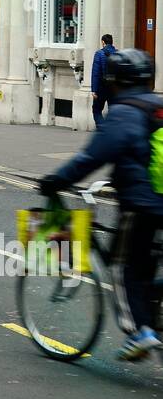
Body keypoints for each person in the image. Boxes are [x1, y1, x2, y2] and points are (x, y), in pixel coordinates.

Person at [38, 48, 163, 360]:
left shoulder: (123, 113)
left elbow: (92, 157)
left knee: (122, 267)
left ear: (115, 81)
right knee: (146, 265)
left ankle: (140, 332)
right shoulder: (159, 107)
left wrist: (57, 180)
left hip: (142, 204)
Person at [90, 33, 117, 129]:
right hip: (114, 88)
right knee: (113, 111)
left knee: (96, 110)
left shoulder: (99, 54)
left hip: (101, 87)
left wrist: (94, 89)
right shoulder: (118, 54)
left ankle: (102, 129)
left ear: (103, 42)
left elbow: (95, 73)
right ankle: (112, 129)